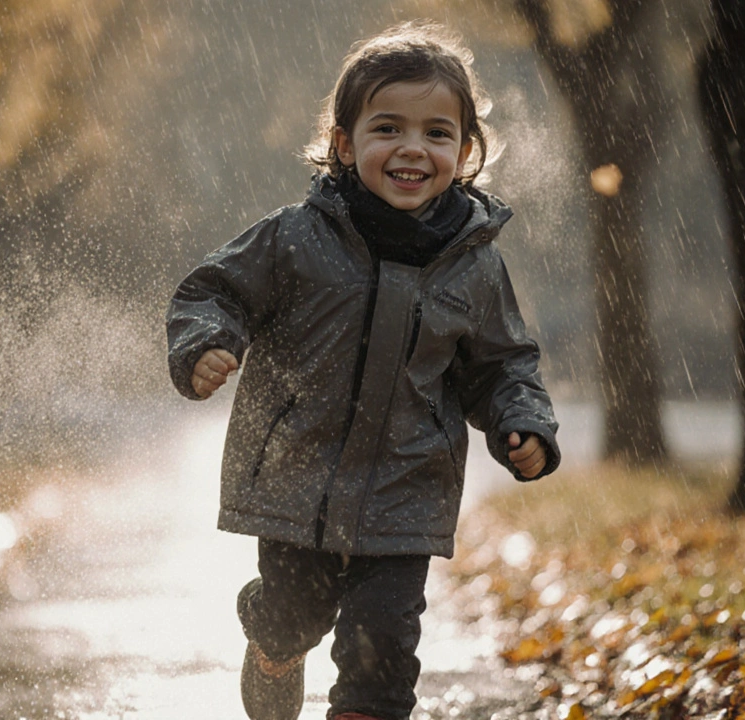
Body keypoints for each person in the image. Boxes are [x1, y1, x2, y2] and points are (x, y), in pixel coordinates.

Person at [166, 21, 560, 720]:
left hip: (405, 498)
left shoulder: (473, 265)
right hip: (295, 484)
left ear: (466, 151)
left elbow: (501, 365)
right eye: (388, 129)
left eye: (438, 133)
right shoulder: (294, 238)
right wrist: (204, 343)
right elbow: (213, 290)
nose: (413, 148)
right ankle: (273, 642)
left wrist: (521, 421)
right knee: (294, 614)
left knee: (382, 652)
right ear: (345, 144)